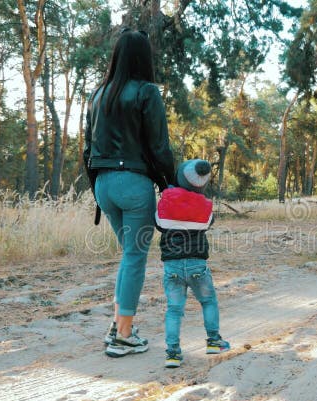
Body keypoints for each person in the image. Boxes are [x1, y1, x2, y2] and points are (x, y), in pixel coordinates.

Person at [83, 29, 175, 358]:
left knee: (128, 255)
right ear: (143, 57)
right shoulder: (147, 91)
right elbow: (159, 146)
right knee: (135, 258)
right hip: (133, 184)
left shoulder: (97, 94)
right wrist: (172, 183)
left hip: (103, 186)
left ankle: (117, 324)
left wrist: (96, 186)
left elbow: (86, 148)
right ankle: (123, 336)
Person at [155, 159, 230, 368]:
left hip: (172, 266)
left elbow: (159, 225)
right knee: (208, 301)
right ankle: (214, 341)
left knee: (174, 310)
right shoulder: (205, 207)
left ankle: (172, 353)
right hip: (197, 263)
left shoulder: (166, 201)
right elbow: (208, 223)